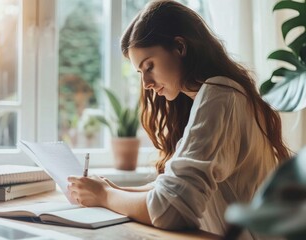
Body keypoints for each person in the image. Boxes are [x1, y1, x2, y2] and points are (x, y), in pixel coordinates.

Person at [68, 0, 290, 239]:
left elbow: (172, 210)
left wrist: (104, 196)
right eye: (140, 73)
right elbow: (171, 190)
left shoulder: (221, 96)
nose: (147, 84)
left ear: (180, 47)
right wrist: (114, 189)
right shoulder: (219, 94)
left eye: (149, 66)